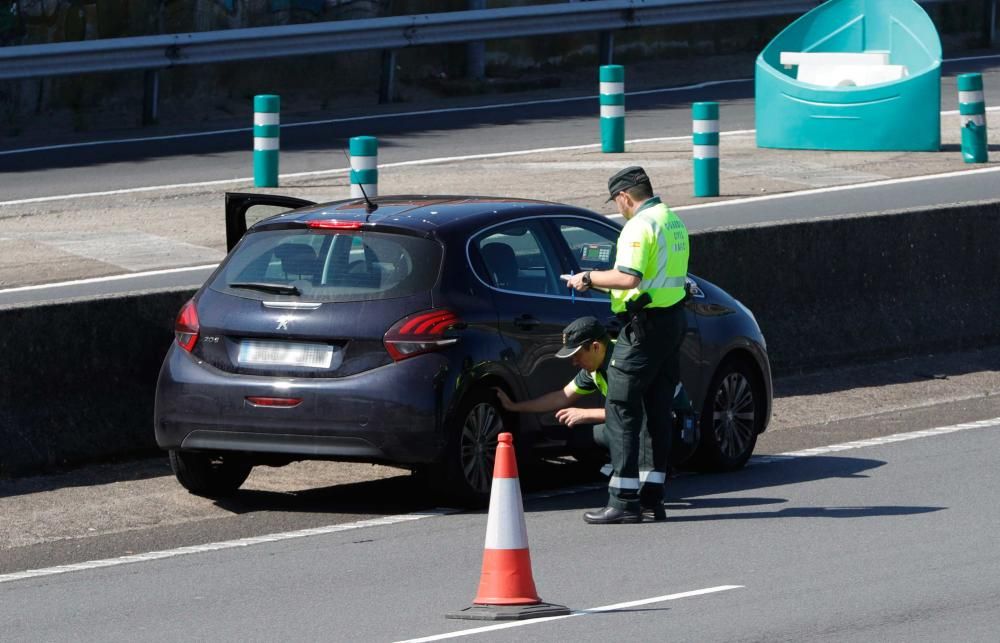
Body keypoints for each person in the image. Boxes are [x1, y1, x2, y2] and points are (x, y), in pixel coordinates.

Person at [564, 166, 690, 524]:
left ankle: (621, 500)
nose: (618, 208)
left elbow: (628, 277)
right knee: (656, 411)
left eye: (617, 202)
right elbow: (651, 279)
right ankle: (653, 499)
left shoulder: (639, 226)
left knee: (620, 407)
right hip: (672, 322)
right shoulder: (672, 221)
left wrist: (587, 278)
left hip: (643, 329)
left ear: (624, 196)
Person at [493, 316, 668, 522]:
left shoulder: (624, 363)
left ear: (595, 347)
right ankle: (646, 499)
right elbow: (562, 396)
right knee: (582, 436)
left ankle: (630, 499)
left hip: (668, 430)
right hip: (645, 429)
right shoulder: (597, 365)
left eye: (577, 355)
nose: (574, 362)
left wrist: (585, 414)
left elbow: (636, 411)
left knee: (614, 431)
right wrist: (515, 407)